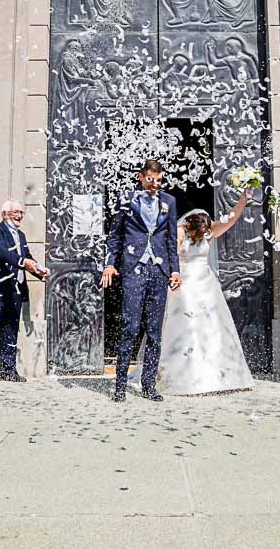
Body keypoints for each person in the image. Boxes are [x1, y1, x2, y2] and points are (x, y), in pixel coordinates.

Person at [135, 190, 255, 395]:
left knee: (212, 328)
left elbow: (230, 220)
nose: (204, 235)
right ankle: (179, 375)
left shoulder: (207, 230)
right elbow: (169, 253)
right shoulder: (180, 232)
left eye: (206, 231)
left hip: (206, 284)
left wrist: (243, 200)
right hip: (185, 285)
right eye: (198, 232)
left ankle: (218, 375)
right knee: (186, 328)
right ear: (189, 225)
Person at [101, 160, 182, 403]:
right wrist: (110, 263)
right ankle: (120, 386)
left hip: (159, 270)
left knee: (155, 332)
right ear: (141, 177)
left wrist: (175, 271)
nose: (155, 185)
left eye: (159, 181)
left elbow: (170, 240)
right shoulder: (126, 200)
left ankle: (148, 385)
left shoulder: (169, 202)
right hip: (133, 268)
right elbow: (115, 235)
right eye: (150, 180)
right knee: (131, 327)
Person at [0, 200, 48, 384]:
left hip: (14, 290)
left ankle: (8, 370)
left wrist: (39, 271)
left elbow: (27, 258)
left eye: (21, 213)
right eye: (16, 212)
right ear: (5, 214)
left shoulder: (21, 235)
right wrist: (24, 262)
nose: (19, 216)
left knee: (11, 331)